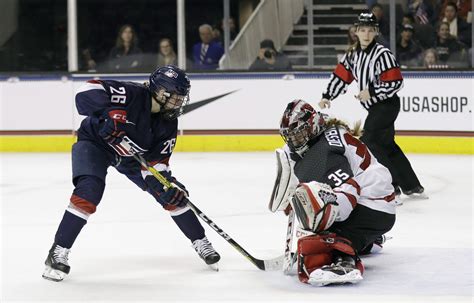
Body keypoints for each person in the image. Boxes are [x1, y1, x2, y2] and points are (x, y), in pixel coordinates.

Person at [42, 65, 220, 282]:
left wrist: (163, 184)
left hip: (132, 157)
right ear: (159, 91)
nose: (179, 102)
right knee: (89, 191)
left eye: (181, 97)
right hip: (95, 144)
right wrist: (106, 116)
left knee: (169, 192)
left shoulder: (168, 123)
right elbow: (86, 90)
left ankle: (200, 241)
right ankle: (58, 251)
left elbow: (157, 164)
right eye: (175, 96)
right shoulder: (131, 95)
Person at [273, 99, 396, 286]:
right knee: (317, 217)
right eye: (289, 136)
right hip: (377, 203)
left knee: (322, 235)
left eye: (298, 134)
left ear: (312, 126)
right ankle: (368, 240)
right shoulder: (322, 138)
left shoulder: (323, 152)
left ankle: (345, 261)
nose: (293, 141)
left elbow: (350, 190)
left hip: (374, 207)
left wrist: (326, 223)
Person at [318, 13, 426, 199]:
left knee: (370, 140)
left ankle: (392, 188)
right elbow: (341, 76)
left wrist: (371, 91)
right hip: (375, 107)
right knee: (386, 145)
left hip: (387, 105)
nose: (366, 34)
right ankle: (412, 186)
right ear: (356, 32)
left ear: (375, 31)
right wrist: (328, 95)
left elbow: (396, 82)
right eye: (362, 30)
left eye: (370, 30)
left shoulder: (382, 54)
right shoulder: (352, 55)